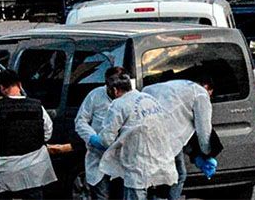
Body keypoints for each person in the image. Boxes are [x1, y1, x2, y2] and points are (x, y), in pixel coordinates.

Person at [95, 72, 177, 200]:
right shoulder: (149, 99)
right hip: (163, 166)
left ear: (115, 90)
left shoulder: (118, 104)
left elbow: (107, 138)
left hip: (138, 168)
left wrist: (96, 141)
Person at [142, 77, 215, 200]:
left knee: (175, 174)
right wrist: (207, 155)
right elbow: (204, 132)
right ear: (207, 87)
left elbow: (181, 131)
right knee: (173, 177)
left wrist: (194, 155)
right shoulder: (201, 94)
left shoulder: (174, 86)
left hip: (147, 134)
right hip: (164, 140)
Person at [0, 69, 56, 199]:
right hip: (34, 170)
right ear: (19, 85)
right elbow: (47, 132)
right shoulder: (37, 106)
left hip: (6, 170)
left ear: (2, 88)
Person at [75, 66, 127, 200]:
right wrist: (92, 138)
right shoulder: (95, 95)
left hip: (122, 159)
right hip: (98, 158)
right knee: (101, 196)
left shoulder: (132, 98)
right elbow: (81, 120)